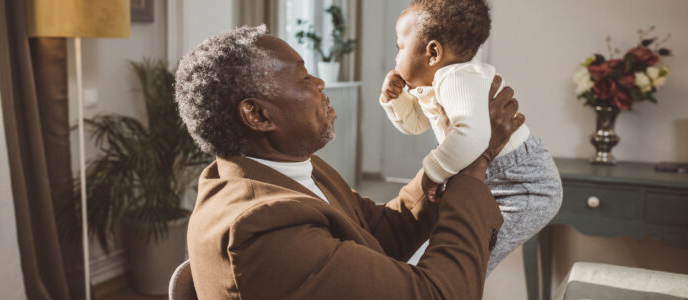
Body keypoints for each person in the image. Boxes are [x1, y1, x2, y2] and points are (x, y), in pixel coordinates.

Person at [175, 25, 523, 299]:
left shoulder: (283, 167)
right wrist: (475, 165)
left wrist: (446, 161)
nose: (320, 82)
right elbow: (437, 294)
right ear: (257, 114)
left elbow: (379, 232)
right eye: (302, 76)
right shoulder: (264, 227)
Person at [378, 0, 563, 273]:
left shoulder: (457, 78)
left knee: (469, 261)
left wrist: (432, 171)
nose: (396, 57)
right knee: (450, 255)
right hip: (495, 180)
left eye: (400, 47)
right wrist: (395, 100)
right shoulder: (441, 81)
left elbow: (473, 136)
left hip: (524, 186)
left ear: (432, 53)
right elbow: (416, 124)